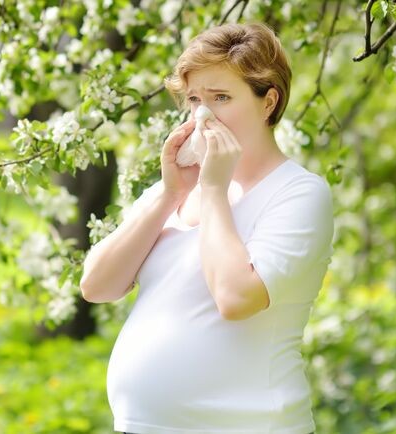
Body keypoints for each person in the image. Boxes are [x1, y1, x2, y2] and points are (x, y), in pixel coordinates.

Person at [80, 22, 332, 434]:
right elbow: (97, 286)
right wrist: (168, 195)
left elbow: (235, 298)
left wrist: (214, 190)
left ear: (268, 102)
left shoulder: (299, 194)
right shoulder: (177, 188)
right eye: (195, 98)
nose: (203, 114)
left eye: (221, 97)